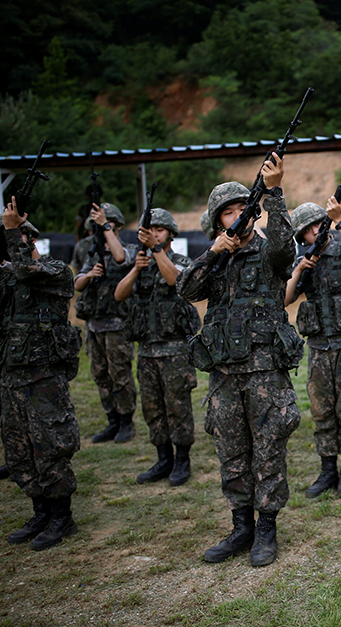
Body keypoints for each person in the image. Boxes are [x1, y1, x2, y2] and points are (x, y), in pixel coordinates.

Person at [177, 154, 304, 567]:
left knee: (268, 452)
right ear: (218, 222)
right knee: (231, 453)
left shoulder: (270, 253)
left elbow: (288, 247)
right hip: (225, 374)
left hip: (265, 372)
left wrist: (275, 195)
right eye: (228, 212)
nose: (236, 217)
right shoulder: (217, 257)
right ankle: (241, 527)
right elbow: (186, 290)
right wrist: (214, 253)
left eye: (241, 209)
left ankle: (266, 528)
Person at [2, 198, 83, 551]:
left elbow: (25, 270)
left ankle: (61, 516)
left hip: (44, 376)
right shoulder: (11, 278)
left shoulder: (55, 271)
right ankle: (40, 511)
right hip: (12, 374)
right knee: (19, 450)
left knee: (50, 445)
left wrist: (12, 232)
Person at [286, 196, 341, 500]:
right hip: (320, 345)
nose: (314, 231)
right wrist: (299, 270)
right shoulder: (303, 257)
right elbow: (286, 298)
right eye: (307, 229)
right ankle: (327, 470)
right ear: (301, 236)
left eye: (316, 224)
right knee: (322, 410)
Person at [114, 208, 199, 486]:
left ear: (171, 234)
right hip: (147, 351)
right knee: (152, 409)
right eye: (149, 231)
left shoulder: (180, 260)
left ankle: (182, 460)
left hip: (174, 351)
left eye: (159, 230)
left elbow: (177, 280)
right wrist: (136, 269)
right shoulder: (142, 264)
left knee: (178, 407)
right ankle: (164, 459)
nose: (154, 235)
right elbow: (119, 294)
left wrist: (157, 250)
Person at [74, 202, 138, 444]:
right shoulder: (92, 252)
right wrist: (89, 275)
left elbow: (121, 258)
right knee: (100, 375)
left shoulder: (127, 248)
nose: (101, 231)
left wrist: (105, 225)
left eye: (107, 226)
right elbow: (77, 284)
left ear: (117, 226)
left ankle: (126, 422)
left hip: (117, 325)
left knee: (119, 374)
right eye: (98, 227)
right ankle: (112, 420)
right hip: (94, 325)